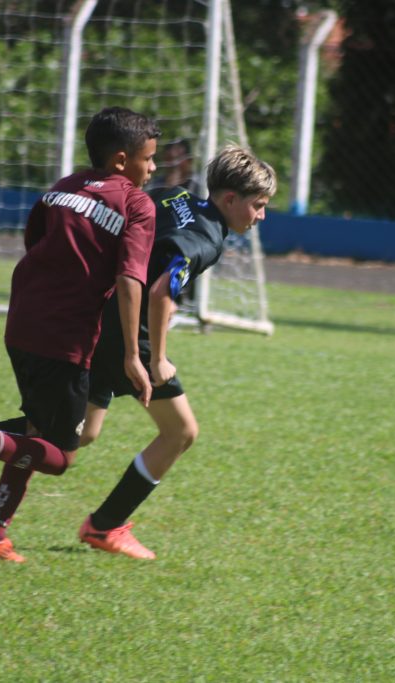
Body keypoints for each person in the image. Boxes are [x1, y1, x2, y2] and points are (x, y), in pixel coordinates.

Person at [0, 106, 161, 562]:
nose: (152, 168)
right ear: (120, 160)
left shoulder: (63, 188)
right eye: (147, 158)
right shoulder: (136, 204)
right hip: (68, 336)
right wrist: (133, 355)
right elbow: (131, 280)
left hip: (22, 320)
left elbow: (35, 242)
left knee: (35, 429)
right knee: (60, 454)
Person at [76, 145, 277, 560]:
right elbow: (160, 292)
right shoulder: (205, 239)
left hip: (99, 314)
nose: (261, 216)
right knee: (181, 432)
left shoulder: (175, 195)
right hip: (130, 336)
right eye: (258, 206)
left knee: (79, 432)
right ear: (230, 199)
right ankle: (105, 525)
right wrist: (157, 360)